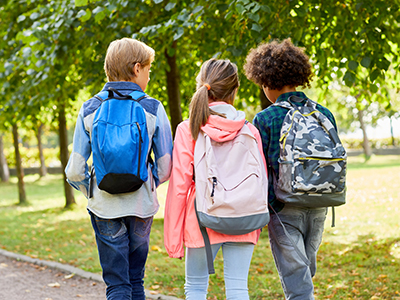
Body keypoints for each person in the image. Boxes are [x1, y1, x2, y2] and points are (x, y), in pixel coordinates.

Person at [65, 38, 173, 300]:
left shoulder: (90, 108)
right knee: (136, 280)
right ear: (137, 68)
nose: (149, 75)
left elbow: (74, 171)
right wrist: (148, 184)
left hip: (105, 208)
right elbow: (166, 166)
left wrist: (92, 191)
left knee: (117, 285)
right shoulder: (152, 107)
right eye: (148, 69)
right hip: (141, 206)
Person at [164, 58, 267, 300]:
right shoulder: (250, 131)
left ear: (202, 86)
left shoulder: (188, 129)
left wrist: (173, 238)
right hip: (243, 217)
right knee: (239, 288)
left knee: (196, 289)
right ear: (235, 90)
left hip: (201, 220)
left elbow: (179, 186)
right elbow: (260, 181)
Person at [244, 38, 339, 299]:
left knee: (296, 274)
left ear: (266, 82)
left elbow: (259, 169)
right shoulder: (324, 114)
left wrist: (267, 206)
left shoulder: (266, 118)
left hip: (285, 207)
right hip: (321, 200)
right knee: (305, 269)